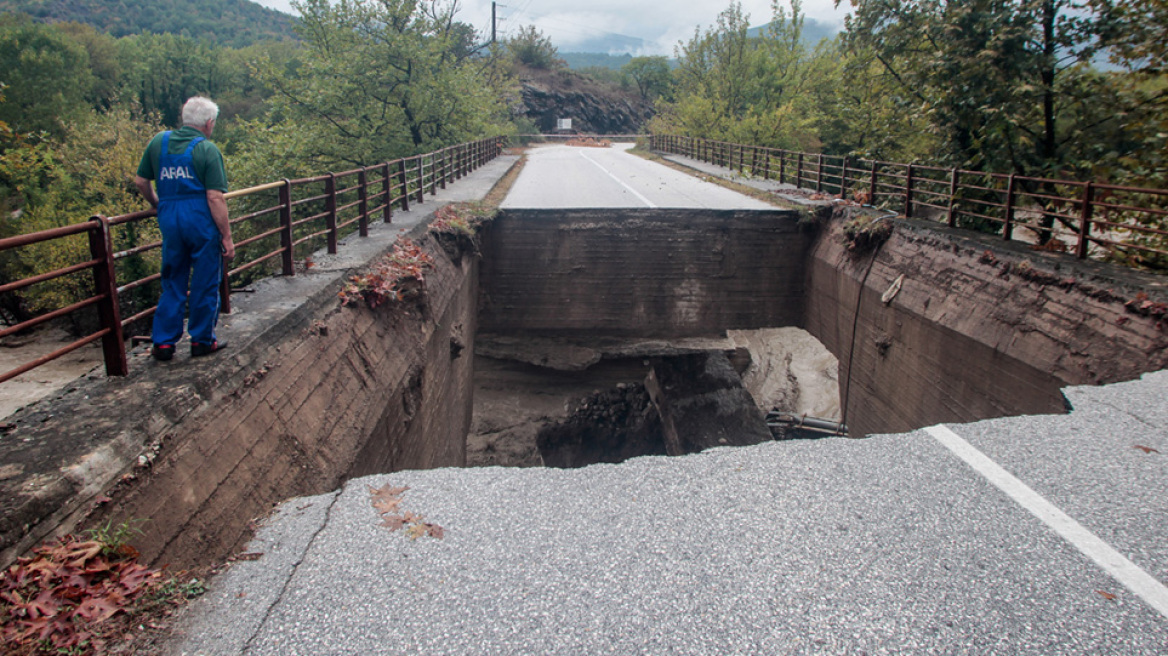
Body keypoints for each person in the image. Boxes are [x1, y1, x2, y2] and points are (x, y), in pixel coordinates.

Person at [134, 96, 235, 361]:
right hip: (200, 221)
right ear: (209, 123)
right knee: (204, 281)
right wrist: (226, 236)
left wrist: (157, 203)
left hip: (170, 218)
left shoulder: (159, 142)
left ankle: (164, 344)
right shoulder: (207, 150)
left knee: (172, 280)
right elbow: (215, 197)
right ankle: (202, 340)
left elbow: (141, 180)